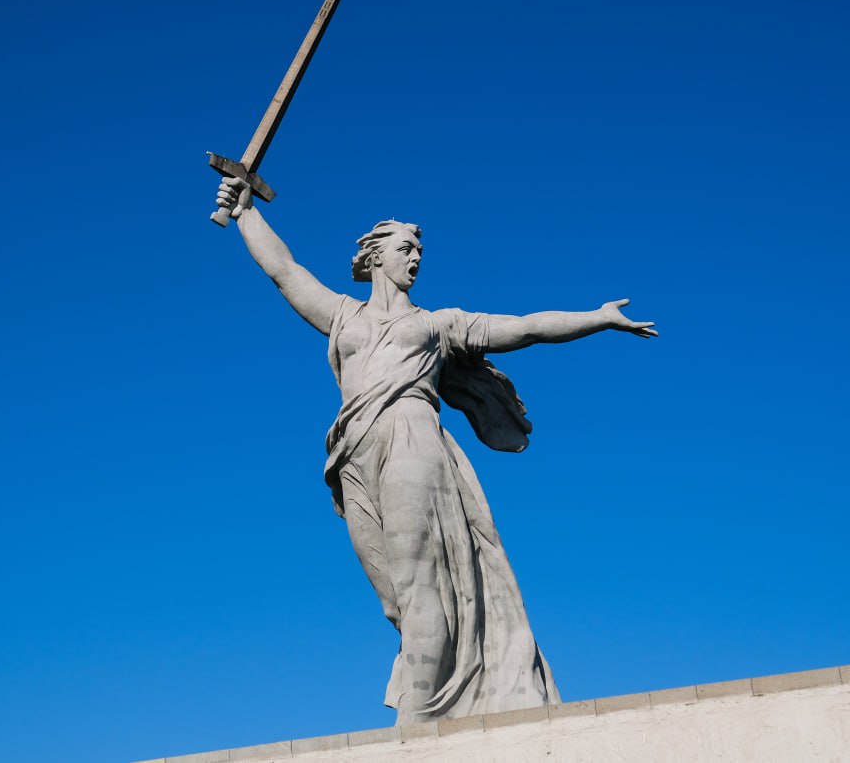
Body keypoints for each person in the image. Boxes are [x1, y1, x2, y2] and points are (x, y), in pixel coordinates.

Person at [214, 177, 657, 723]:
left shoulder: (436, 325)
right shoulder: (343, 315)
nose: (416, 258)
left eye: (419, 251)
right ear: (376, 256)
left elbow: (524, 329)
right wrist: (246, 213)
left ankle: (415, 723)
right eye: (406, 249)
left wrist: (598, 317)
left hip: (413, 438)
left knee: (421, 584)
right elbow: (285, 271)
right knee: (395, 599)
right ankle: (438, 699)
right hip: (352, 453)